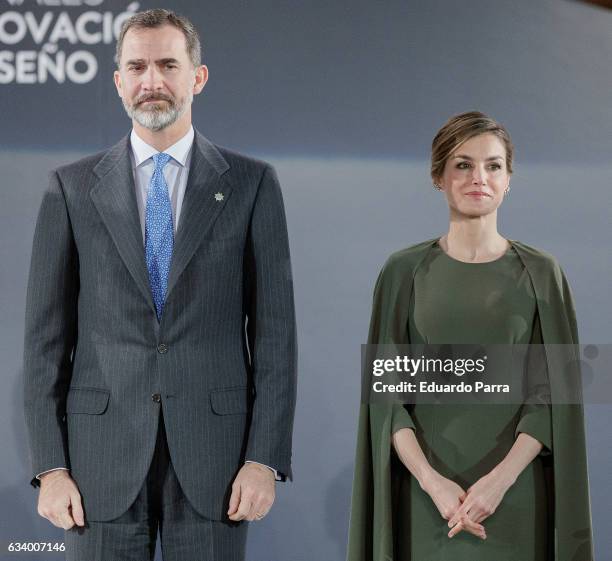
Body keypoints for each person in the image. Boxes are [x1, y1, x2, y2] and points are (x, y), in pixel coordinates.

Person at [22, 9, 297, 561]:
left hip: (217, 462)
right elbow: (45, 341)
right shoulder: (70, 189)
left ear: (197, 77)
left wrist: (263, 460)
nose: (152, 81)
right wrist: (50, 468)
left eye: (168, 64)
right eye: (138, 66)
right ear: (119, 81)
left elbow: (275, 336)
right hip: (99, 461)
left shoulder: (252, 183)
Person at [346, 112, 593, 561]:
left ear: (509, 178)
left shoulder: (542, 274)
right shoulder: (403, 272)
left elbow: (553, 396)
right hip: (425, 498)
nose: (479, 177)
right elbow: (386, 399)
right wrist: (433, 484)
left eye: (493, 165)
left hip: (517, 495)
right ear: (438, 177)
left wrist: (496, 485)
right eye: (463, 164)